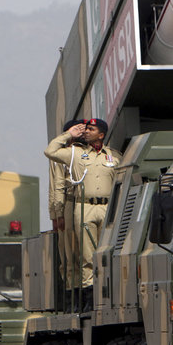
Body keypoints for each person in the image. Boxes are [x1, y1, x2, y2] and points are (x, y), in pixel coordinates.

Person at [44, 118, 121, 306]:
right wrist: (69, 134)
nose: (85, 131)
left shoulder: (114, 156)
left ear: (101, 134)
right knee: (85, 256)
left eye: (90, 129)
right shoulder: (75, 154)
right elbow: (50, 152)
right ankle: (88, 298)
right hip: (83, 206)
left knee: (108, 253)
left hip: (107, 208)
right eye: (84, 129)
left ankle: (109, 294)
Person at [48, 119, 85, 289]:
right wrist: (57, 214)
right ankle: (73, 291)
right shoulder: (61, 157)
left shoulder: (87, 154)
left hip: (85, 204)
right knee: (70, 255)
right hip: (68, 205)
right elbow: (56, 185)